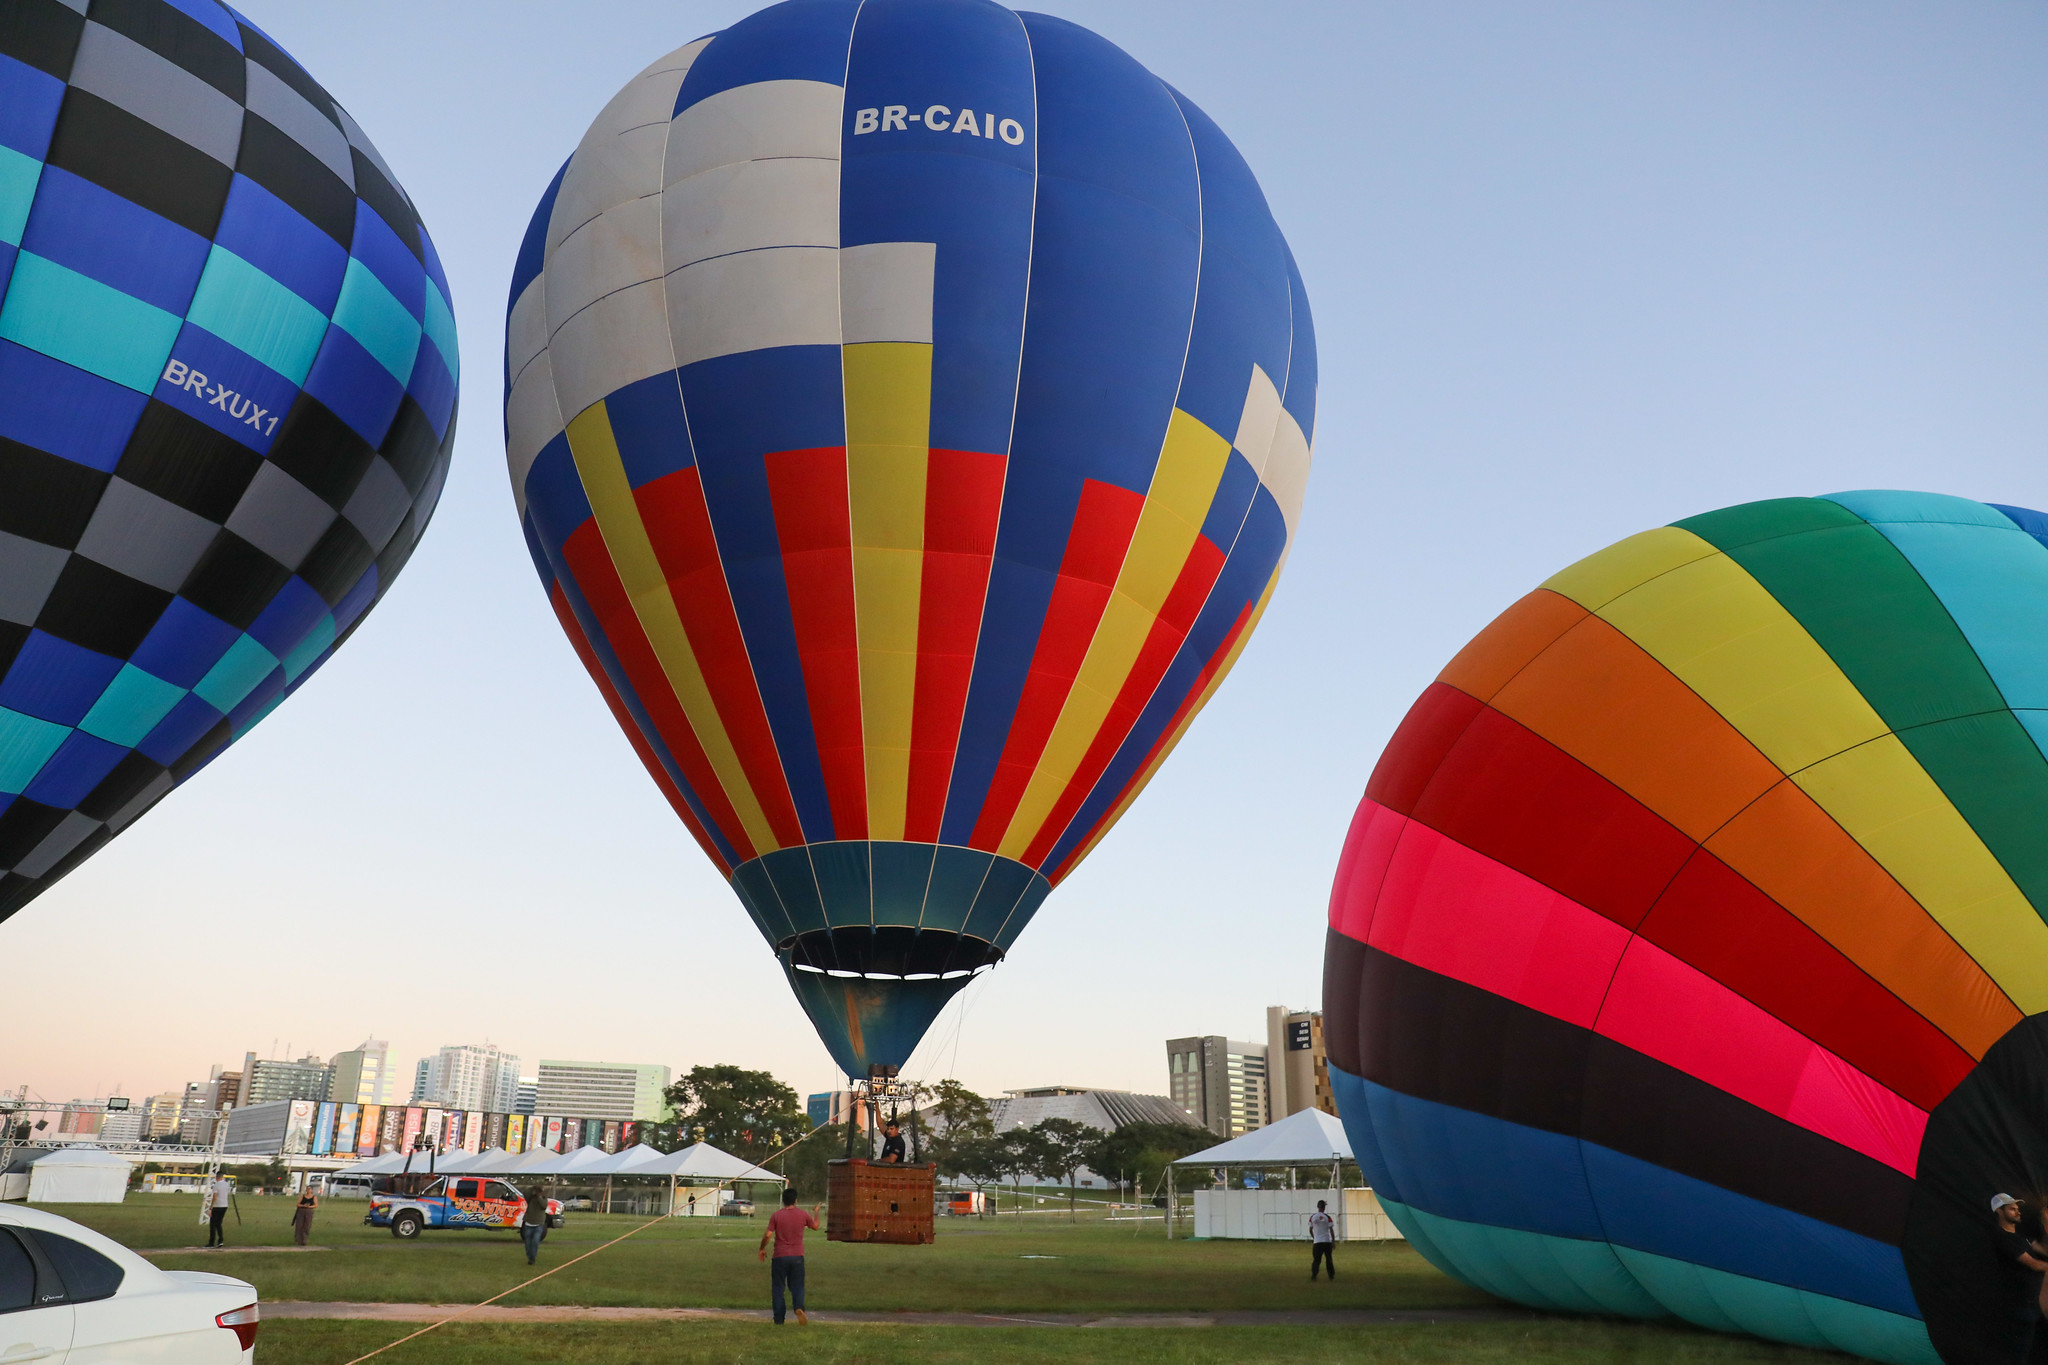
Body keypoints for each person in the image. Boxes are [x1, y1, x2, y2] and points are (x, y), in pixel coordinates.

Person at [1991, 1195, 2048, 1358]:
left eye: (2017, 1208)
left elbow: (2044, 1250)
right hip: (2021, 1306)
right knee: (2019, 1352)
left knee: (2035, 1351)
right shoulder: (2003, 1238)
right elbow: (2035, 1264)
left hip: (2035, 1304)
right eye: (2012, 1209)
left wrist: (2045, 1219)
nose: (2018, 1212)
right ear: (1999, 1212)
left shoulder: (2021, 1237)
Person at [758, 1188, 820, 1325]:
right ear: (796, 1200)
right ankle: (799, 1307)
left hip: (779, 1256)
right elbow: (815, 1226)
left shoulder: (776, 1216)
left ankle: (779, 1319)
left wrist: (762, 1248)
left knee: (778, 1288)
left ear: (783, 1200)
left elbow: (768, 1235)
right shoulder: (802, 1214)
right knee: (798, 1285)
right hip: (797, 1256)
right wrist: (816, 1212)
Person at [521, 1184, 550, 1266]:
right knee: (528, 1242)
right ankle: (529, 1256)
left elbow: (543, 1206)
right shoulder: (530, 1197)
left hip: (539, 1224)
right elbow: (525, 1194)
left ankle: (532, 1258)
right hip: (528, 1223)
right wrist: (532, 1188)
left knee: (535, 1241)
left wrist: (539, 1196)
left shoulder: (543, 1198)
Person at [1309, 1199, 1336, 1280]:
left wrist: (1314, 1237)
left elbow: (1310, 1229)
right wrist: (1333, 1241)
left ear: (1318, 1207)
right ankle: (1331, 1275)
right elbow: (1331, 1230)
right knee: (1329, 1259)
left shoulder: (1313, 1217)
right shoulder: (1328, 1217)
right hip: (1327, 1241)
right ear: (1324, 1208)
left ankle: (1314, 1275)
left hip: (1317, 1242)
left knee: (1316, 1260)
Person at [206, 1174, 233, 1248]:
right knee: (218, 1223)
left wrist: (211, 1207)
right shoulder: (227, 1184)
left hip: (217, 1206)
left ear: (217, 1177)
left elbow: (215, 1196)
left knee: (212, 1224)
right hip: (224, 1205)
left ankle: (211, 1242)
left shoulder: (216, 1185)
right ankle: (220, 1240)